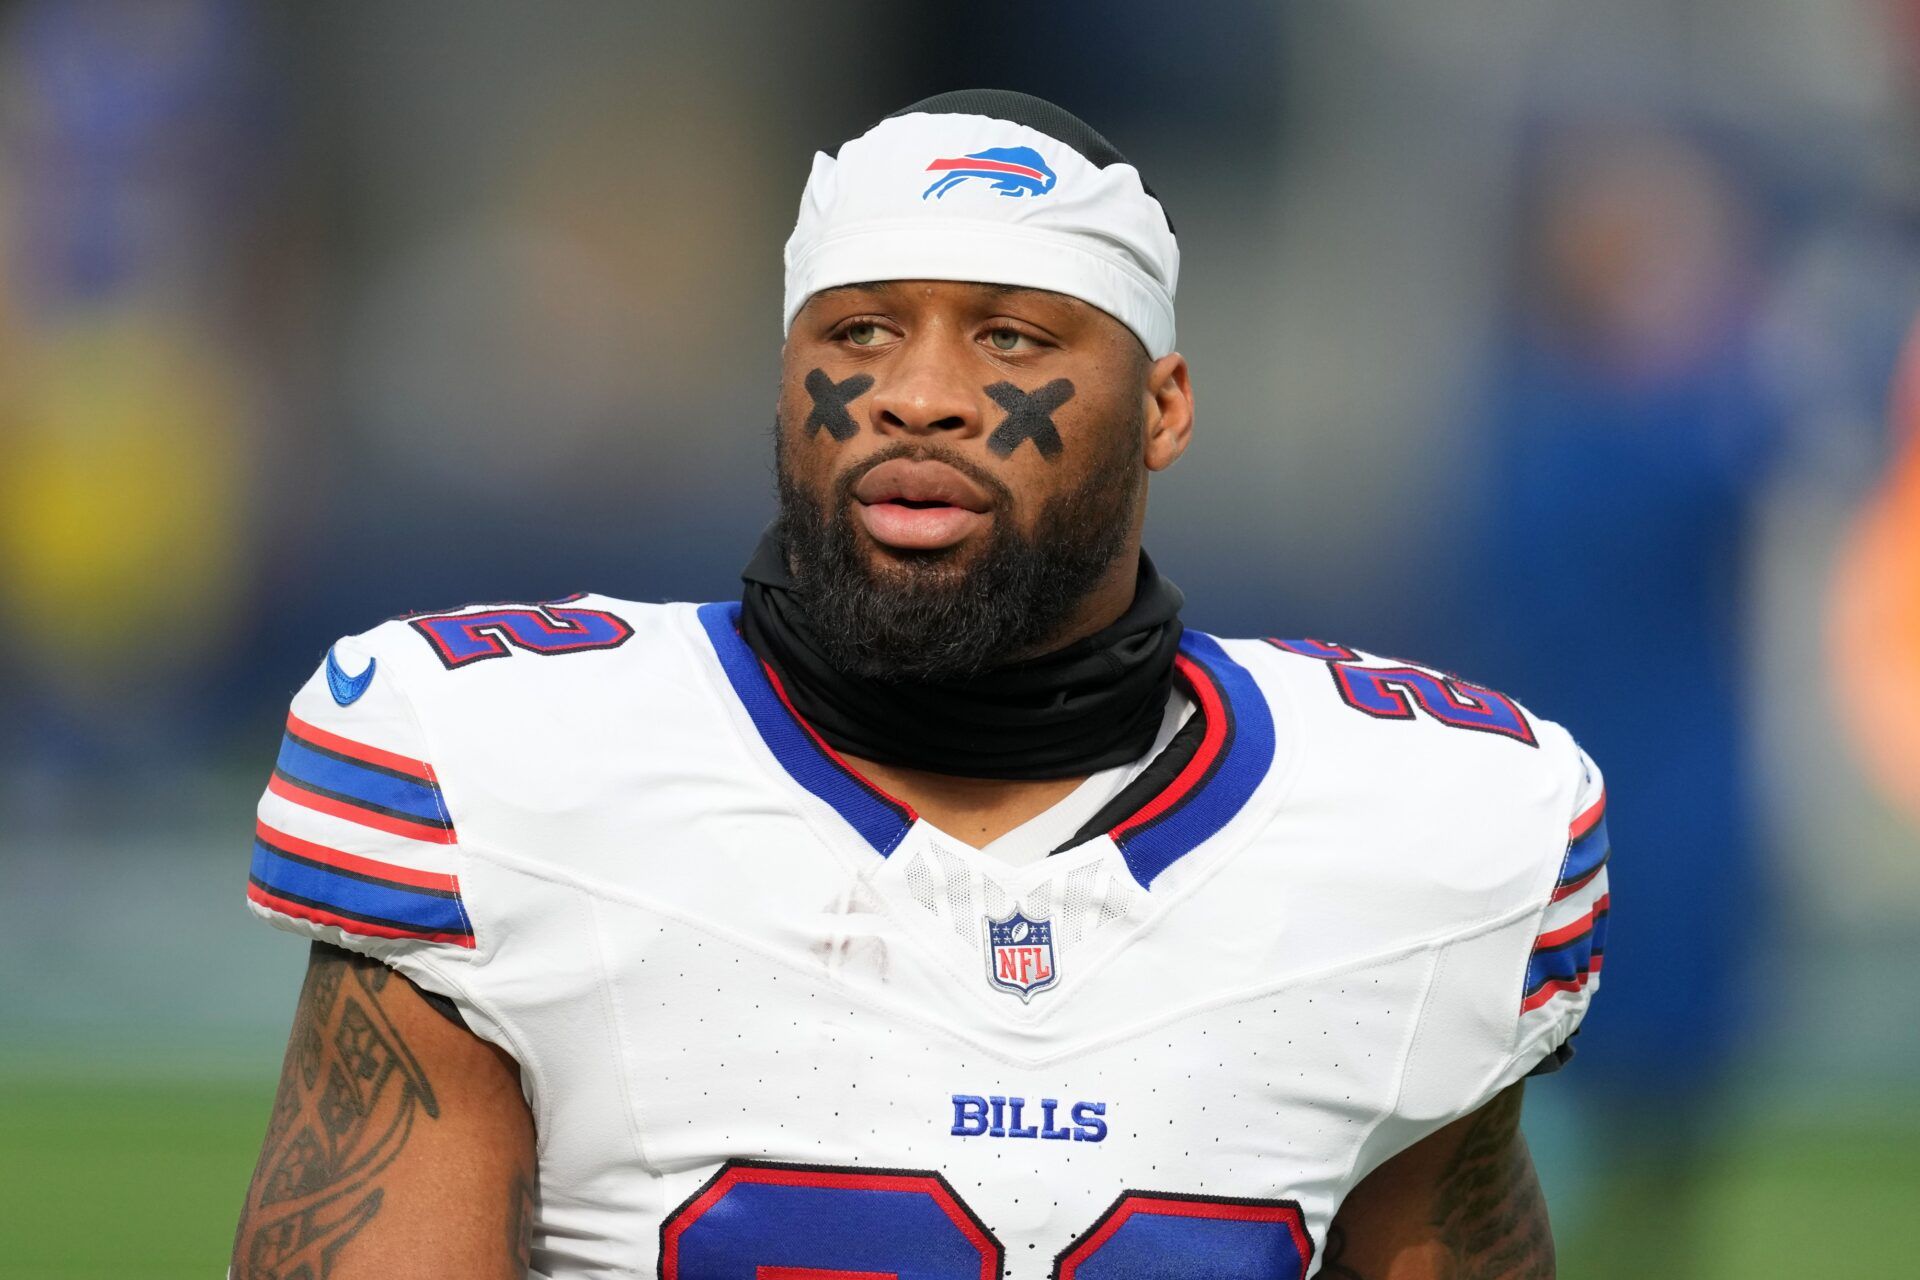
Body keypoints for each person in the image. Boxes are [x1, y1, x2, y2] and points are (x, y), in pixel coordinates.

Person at [230, 90, 1609, 1280]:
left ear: (1165, 407)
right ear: (784, 383)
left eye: (1010, 338)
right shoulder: (499, 767)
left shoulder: (1418, 833)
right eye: (862, 335)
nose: (919, 395)